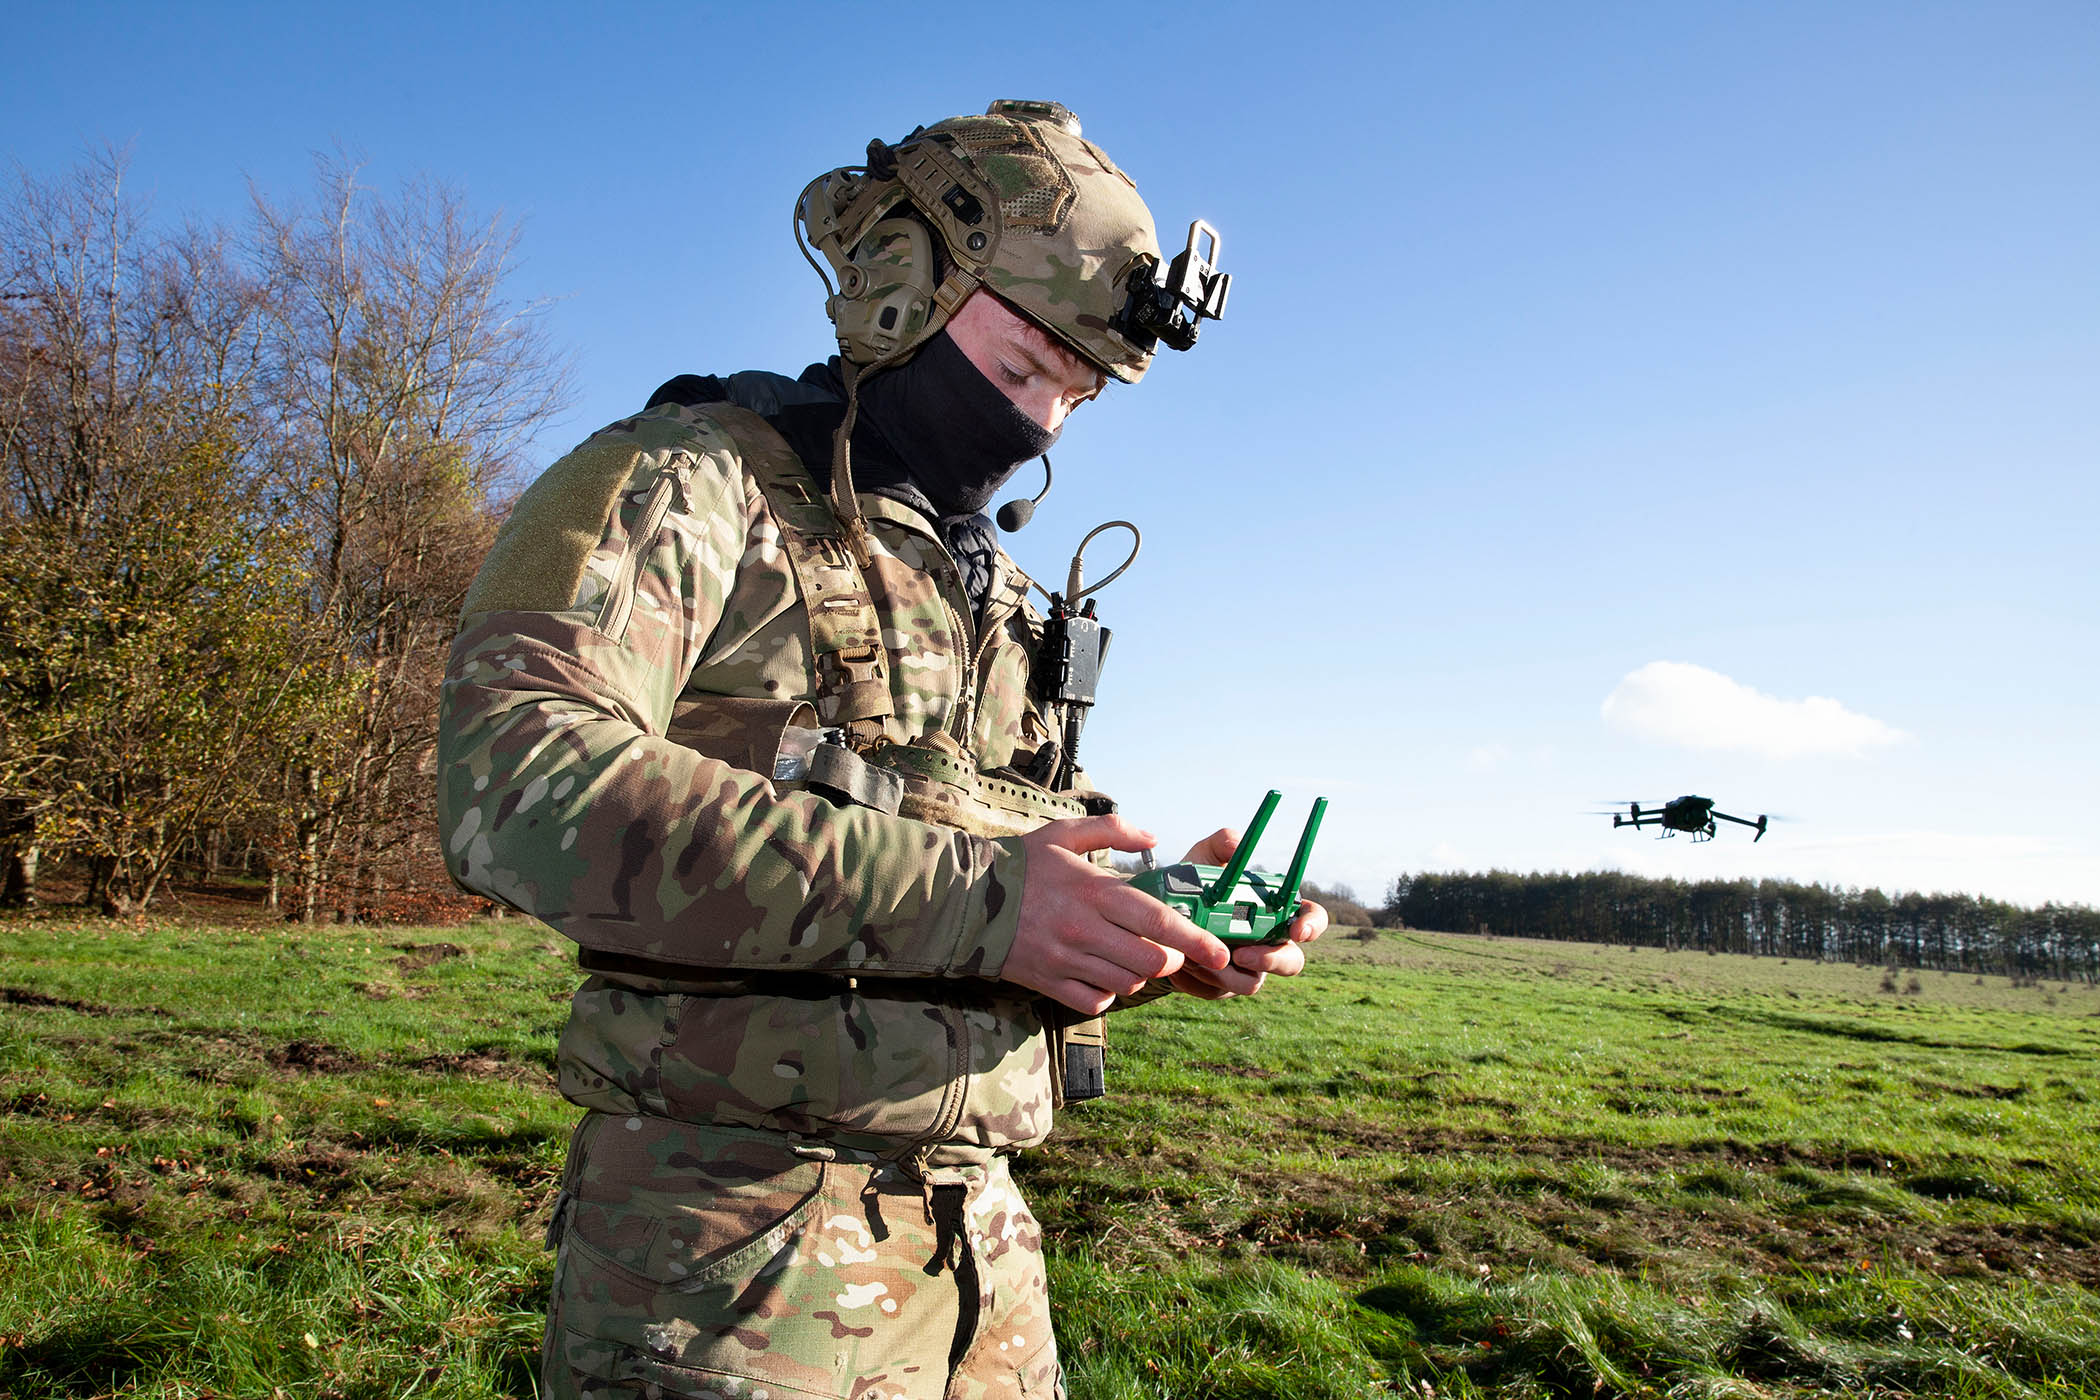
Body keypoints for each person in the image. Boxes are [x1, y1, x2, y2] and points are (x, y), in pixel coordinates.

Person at [436, 99, 1326, 1400]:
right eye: (1028, 374)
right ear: (902, 285)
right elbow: (512, 784)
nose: (1045, 427)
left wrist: (1145, 930)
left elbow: (984, 918)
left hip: (989, 1262)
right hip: (733, 1272)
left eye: (1078, 395)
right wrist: (983, 905)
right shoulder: (685, 485)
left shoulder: (999, 597)